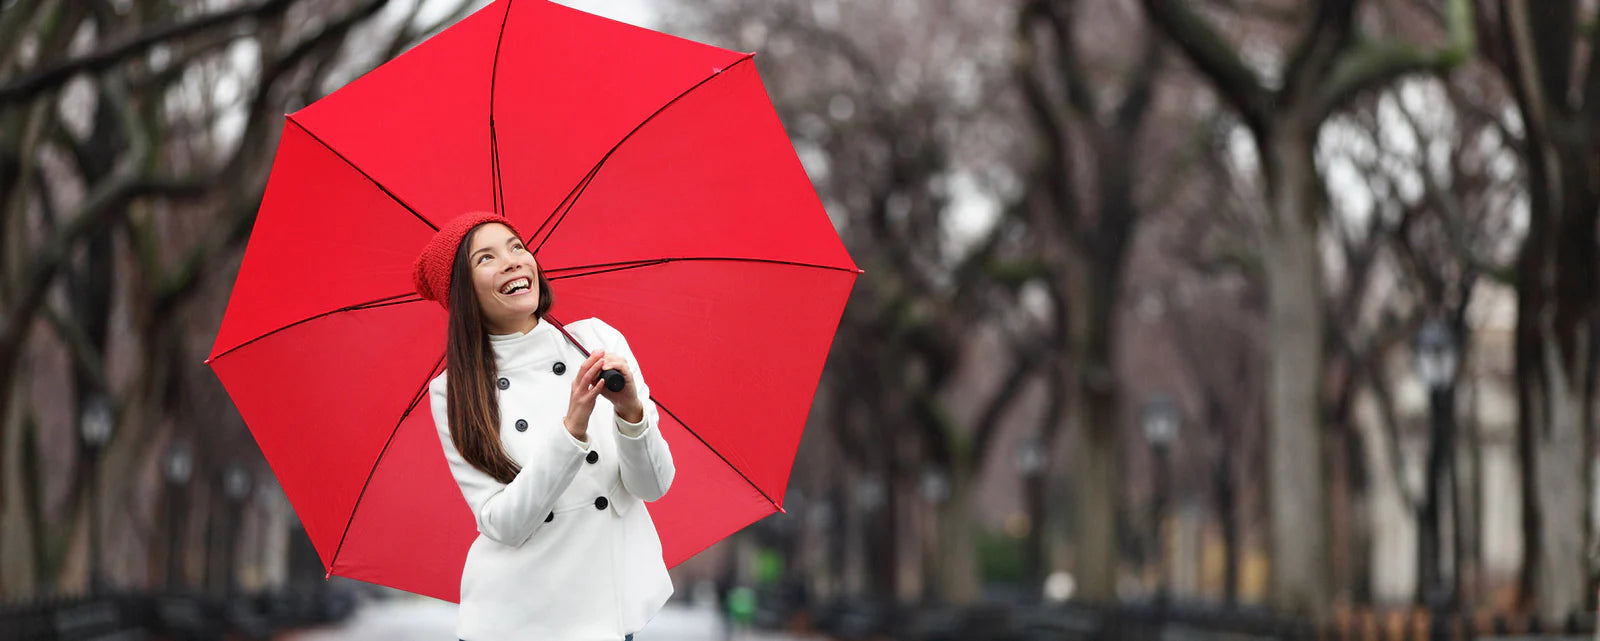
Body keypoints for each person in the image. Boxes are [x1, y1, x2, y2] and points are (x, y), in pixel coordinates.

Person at [411, 211, 676, 641]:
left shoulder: (598, 341)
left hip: (609, 613)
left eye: (517, 246)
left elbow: (654, 486)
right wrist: (571, 430)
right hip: (515, 620)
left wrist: (631, 413)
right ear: (464, 293)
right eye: (487, 258)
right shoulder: (454, 391)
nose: (513, 261)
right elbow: (502, 523)